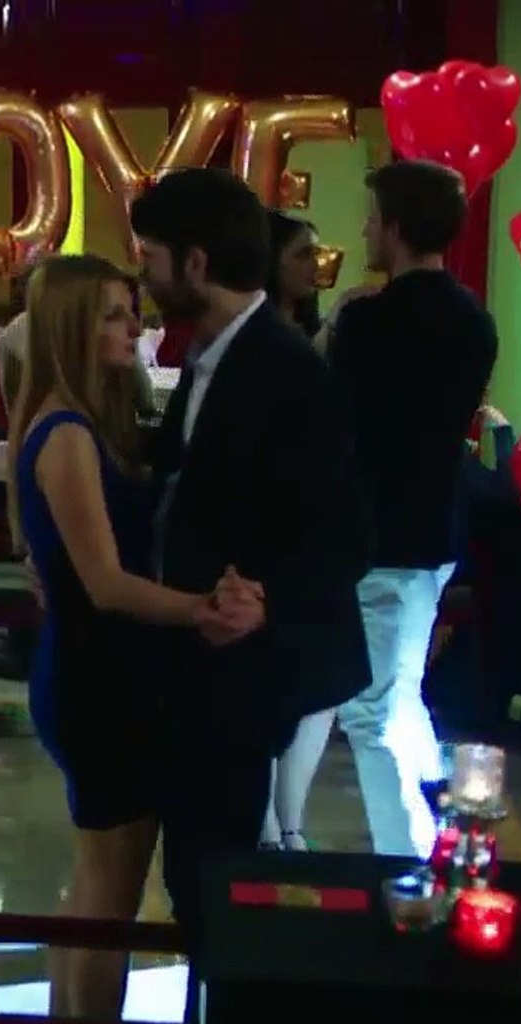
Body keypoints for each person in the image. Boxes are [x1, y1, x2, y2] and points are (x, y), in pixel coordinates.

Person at [131, 168, 370, 951]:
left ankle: (222, 1010)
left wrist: (267, 600)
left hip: (240, 670)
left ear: (196, 263)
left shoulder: (287, 369)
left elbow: (347, 532)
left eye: (150, 258)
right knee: (195, 871)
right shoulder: (211, 356)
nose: (143, 276)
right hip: (196, 662)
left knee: (216, 879)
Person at [9, 255, 253, 1018]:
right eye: (114, 315)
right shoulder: (67, 433)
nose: (133, 327)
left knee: (97, 882)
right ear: (75, 328)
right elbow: (106, 583)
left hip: (102, 669)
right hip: (97, 678)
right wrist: (201, 610)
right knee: (109, 895)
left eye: (131, 311)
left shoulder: (88, 421)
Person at [330, 161, 496, 859]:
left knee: (370, 711)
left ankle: (409, 864)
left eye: (373, 218)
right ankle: (443, 839)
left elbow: (339, 427)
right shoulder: (474, 322)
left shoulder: (367, 321)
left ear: (395, 228)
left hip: (379, 535)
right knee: (399, 696)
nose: (366, 230)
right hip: (436, 530)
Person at [258, 210, 336, 851]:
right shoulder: (250, 340)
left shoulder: (320, 333)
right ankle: (268, 823)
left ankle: (292, 822)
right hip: (266, 530)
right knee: (265, 681)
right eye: (302, 254)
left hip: (312, 530)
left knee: (319, 686)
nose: (316, 265)